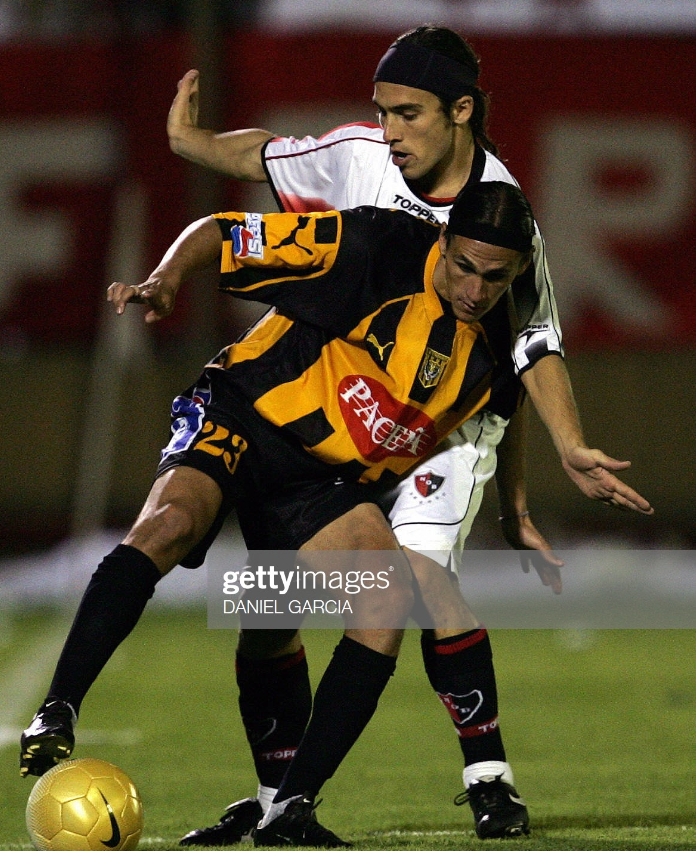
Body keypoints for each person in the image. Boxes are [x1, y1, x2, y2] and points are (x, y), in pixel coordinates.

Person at [20, 184, 651, 850]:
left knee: (370, 601)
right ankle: (58, 708)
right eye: (464, 266)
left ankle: (287, 808)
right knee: (171, 523)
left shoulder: (504, 334)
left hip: (318, 477)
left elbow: (507, 409)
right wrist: (167, 277)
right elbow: (224, 231)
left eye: (495, 277)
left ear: (519, 271)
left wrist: (515, 508)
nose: (475, 289)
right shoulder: (371, 245)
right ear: (443, 241)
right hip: (243, 411)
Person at [164, 25, 652, 843]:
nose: (389, 128)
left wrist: (558, 456)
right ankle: (277, 796)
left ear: (461, 111)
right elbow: (269, 157)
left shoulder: (503, 211)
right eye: (383, 109)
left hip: (449, 419)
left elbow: (533, 342)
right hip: (350, 404)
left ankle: (489, 779)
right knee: (275, 600)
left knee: (420, 577)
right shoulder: (364, 153)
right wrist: (191, 142)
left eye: (408, 112)